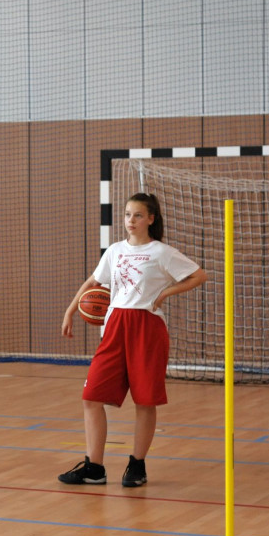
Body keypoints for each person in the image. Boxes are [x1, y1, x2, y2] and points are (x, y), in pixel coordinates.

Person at [58, 193, 206, 487]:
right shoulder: (114, 251)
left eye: (137, 215)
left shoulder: (162, 252)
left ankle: (137, 465)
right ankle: (94, 467)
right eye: (127, 215)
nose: (131, 221)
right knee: (91, 397)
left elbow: (198, 275)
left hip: (147, 327)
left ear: (151, 219)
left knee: (145, 400)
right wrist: (70, 310)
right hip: (115, 326)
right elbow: (94, 283)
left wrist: (165, 293)